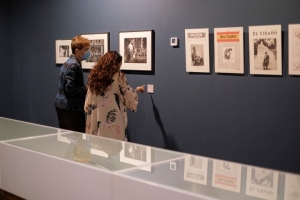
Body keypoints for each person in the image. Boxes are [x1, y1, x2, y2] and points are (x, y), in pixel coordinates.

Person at [84, 51, 145, 141]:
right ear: (115, 64)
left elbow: (89, 100)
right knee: (113, 146)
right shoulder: (119, 77)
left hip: (96, 116)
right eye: (120, 65)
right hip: (112, 117)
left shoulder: (94, 76)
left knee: (96, 146)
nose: (120, 67)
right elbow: (127, 95)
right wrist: (137, 90)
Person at [54, 35, 91, 132]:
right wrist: (84, 89)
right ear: (78, 51)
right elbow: (70, 89)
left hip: (62, 106)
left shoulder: (69, 61)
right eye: (86, 50)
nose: (88, 52)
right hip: (70, 108)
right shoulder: (74, 65)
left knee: (71, 140)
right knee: (78, 140)